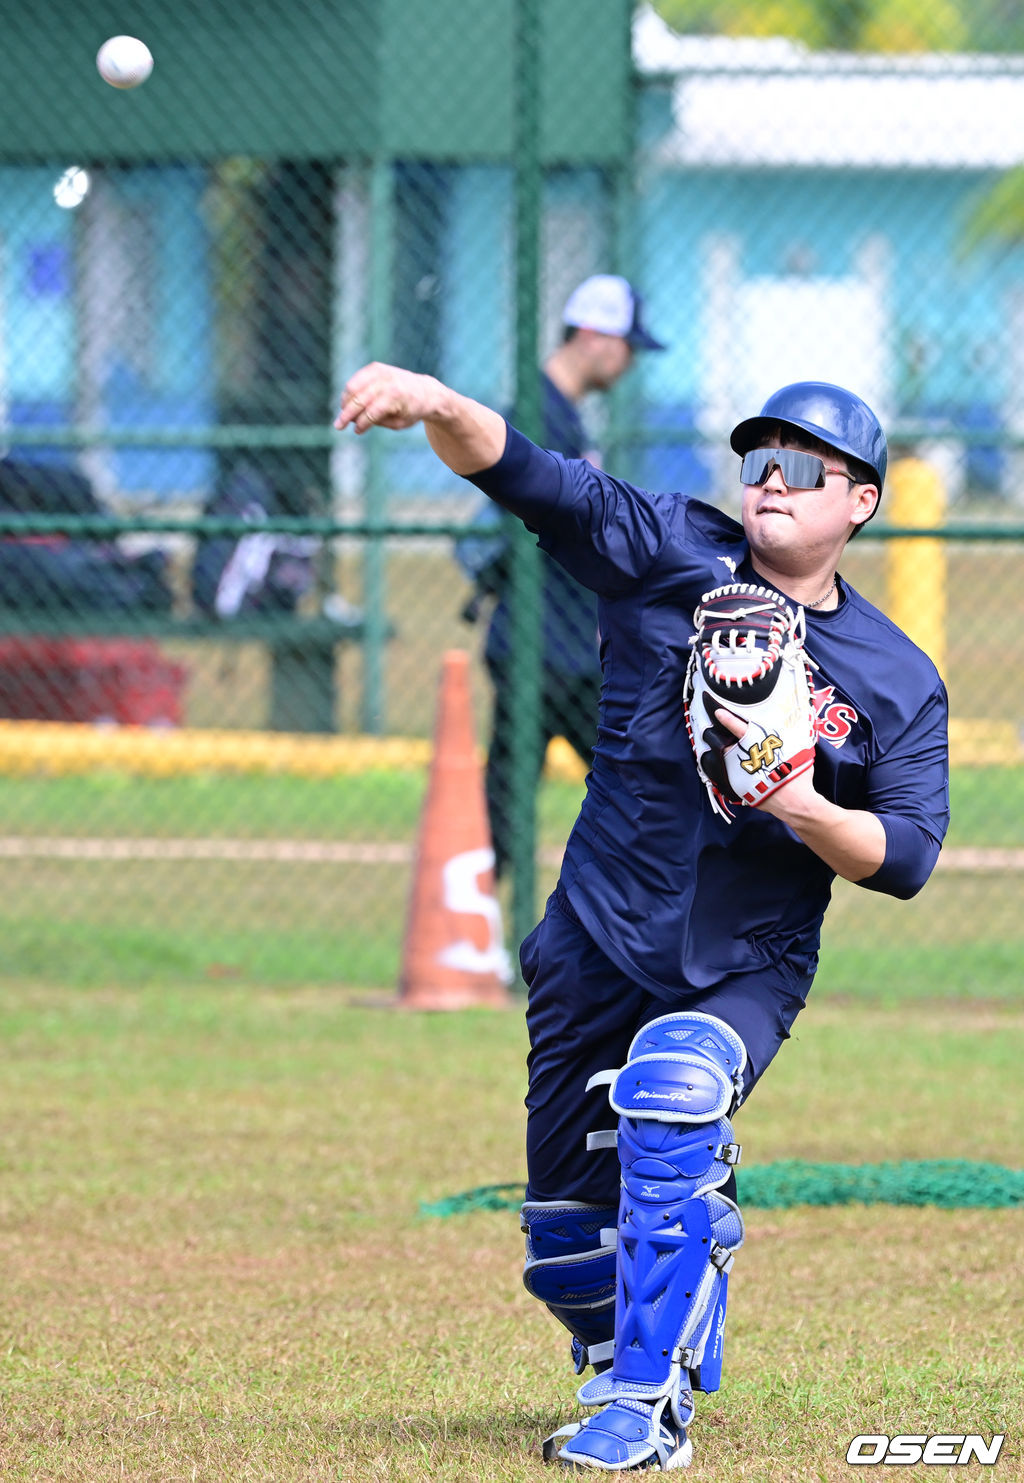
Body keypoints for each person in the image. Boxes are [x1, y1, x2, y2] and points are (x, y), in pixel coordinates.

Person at [335, 371, 949, 1471]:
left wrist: (799, 799)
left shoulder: (894, 676)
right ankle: (660, 1303)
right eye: (759, 459)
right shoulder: (664, 549)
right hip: (596, 937)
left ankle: (647, 1408)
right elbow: (522, 473)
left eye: (805, 466)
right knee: (568, 1256)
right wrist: (432, 399)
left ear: (859, 500)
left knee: (671, 1094)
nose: (772, 480)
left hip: (741, 965)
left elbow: (904, 857)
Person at [456, 274, 665, 877]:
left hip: (564, 643)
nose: (628, 362)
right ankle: (489, 939)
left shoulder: (561, 416)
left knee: (624, 790)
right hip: (541, 644)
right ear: (597, 337)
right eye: (627, 345)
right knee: (525, 803)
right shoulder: (539, 414)